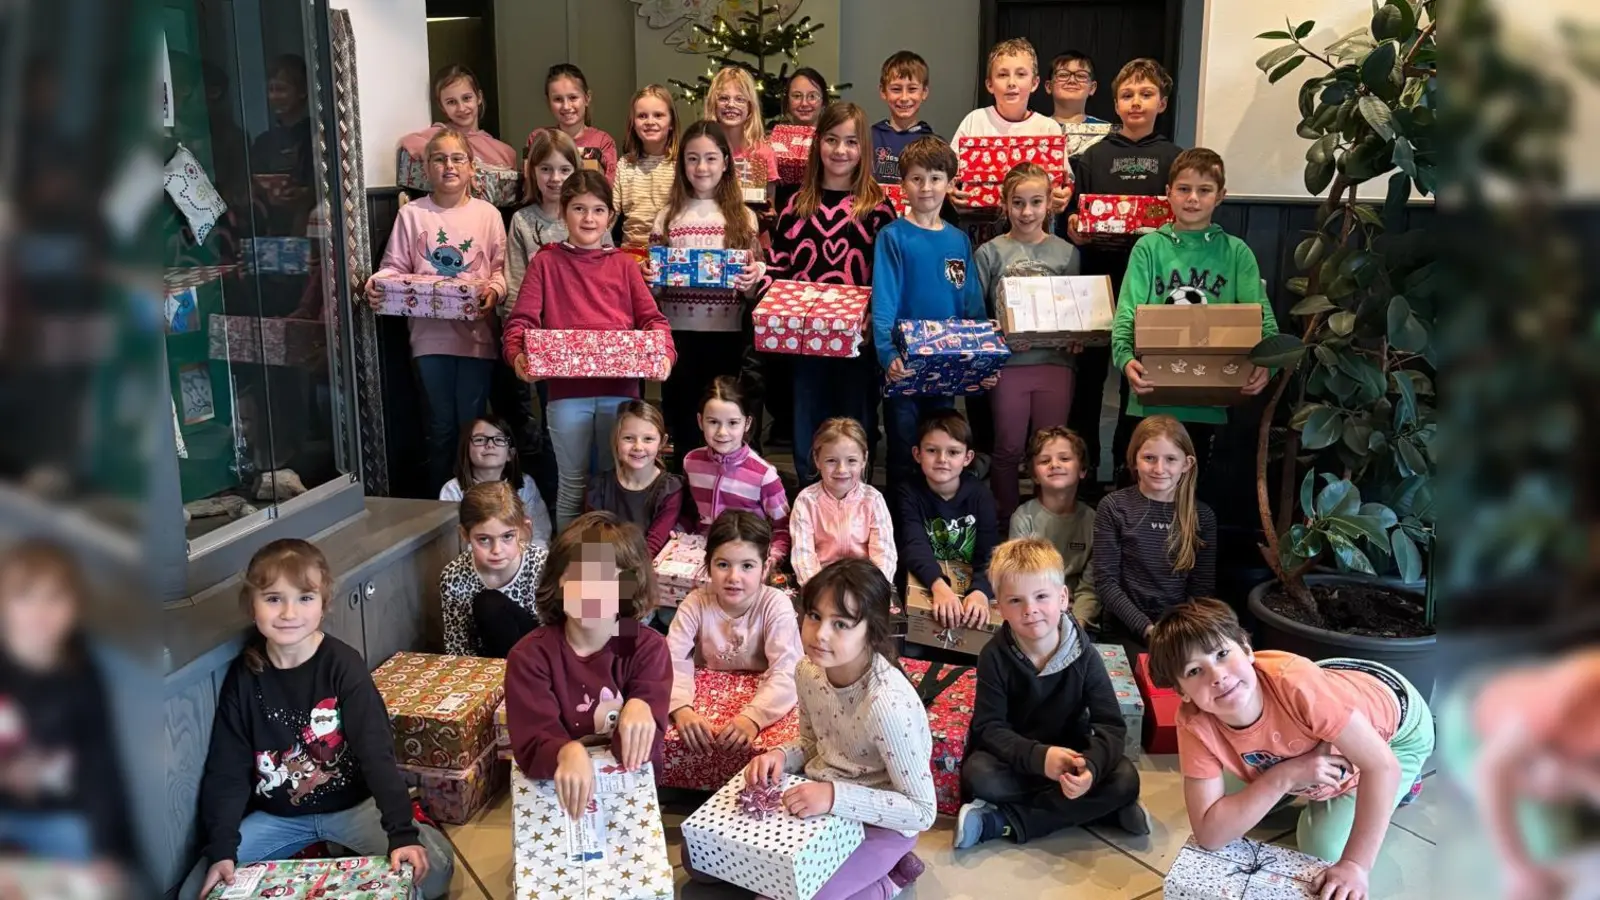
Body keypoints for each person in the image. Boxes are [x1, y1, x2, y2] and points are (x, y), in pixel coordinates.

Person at [182, 540, 454, 900]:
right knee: (195, 892)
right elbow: (227, 771)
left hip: (352, 808)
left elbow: (376, 753)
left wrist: (402, 833)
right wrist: (222, 849)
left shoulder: (343, 666)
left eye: (305, 598)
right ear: (251, 606)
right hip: (277, 817)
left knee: (432, 873)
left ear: (324, 604)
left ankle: (353, 845)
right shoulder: (244, 678)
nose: (289, 612)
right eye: (274, 598)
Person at [1148, 598, 1435, 899]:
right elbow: (1210, 833)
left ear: (1246, 649)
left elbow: (1382, 766)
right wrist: (1285, 776)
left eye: (1222, 654)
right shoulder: (1194, 722)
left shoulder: (1296, 684)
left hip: (1394, 731)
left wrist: (1355, 865)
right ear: (1182, 692)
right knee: (1228, 810)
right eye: (1195, 671)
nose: (1217, 676)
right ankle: (1297, 767)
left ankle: (1406, 783)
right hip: (1314, 714)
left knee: (1321, 847)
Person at [740, 560, 935, 896]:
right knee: (701, 863)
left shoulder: (886, 704)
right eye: (815, 616)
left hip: (880, 824)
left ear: (872, 631)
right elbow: (812, 743)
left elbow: (922, 811)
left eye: (841, 623)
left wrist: (833, 796)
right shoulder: (808, 670)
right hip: (822, 802)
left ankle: (889, 881)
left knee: (783, 895)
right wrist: (780, 756)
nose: (820, 634)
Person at [502, 169, 676, 530]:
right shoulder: (546, 263)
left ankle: (614, 558)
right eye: (579, 209)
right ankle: (571, 560)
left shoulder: (624, 265)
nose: (589, 218)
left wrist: (665, 356)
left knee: (618, 483)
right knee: (573, 485)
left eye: (598, 210)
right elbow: (520, 322)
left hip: (621, 394)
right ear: (563, 211)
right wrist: (518, 358)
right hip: (567, 395)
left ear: (610, 216)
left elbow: (654, 321)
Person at [955, 537, 1147, 849]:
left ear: (1063, 598)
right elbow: (989, 727)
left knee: (1126, 777)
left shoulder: (1085, 654)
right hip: (1019, 759)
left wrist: (1091, 768)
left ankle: (1003, 822)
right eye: (1015, 601)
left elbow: (1111, 726)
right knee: (978, 776)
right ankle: (1101, 811)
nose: (1030, 610)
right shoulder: (993, 656)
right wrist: (1039, 758)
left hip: (1071, 758)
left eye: (1041, 596)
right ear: (999, 608)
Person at [1115, 147, 1280, 478]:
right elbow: (1127, 313)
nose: (1192, 198)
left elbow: (1263, 321)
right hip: (1150, 394)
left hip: (1212, 398)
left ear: (1220, 196)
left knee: (1195, 488)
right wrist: (1124, 358)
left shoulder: (1236, 253)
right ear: (1168, 193)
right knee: (1143, 487)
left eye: (1204, 190)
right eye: (1184, 189)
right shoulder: (1148, 248)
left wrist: (1269, 366)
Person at [1061, 58, 1184, 482]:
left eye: (1146, 94)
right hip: (1099, 279)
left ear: (1162, 103)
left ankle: (1130, 469)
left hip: (1154, 286)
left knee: (1141, 380)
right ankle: (1084, 467)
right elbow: (1073, 216)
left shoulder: (1175, 159)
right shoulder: (1092, 157)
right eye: (1127, 95)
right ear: (1115, 104)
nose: (1136, 102)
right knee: (1089, 377)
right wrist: (1075, 227)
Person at [366, 127, 507, 493]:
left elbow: (500, 272)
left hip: (477, 338)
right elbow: (393, 266)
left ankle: (476, 499)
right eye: (439, 159)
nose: (449, 166)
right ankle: (440, 504)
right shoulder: (412, 215)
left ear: (472, 167)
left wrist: (494, 291)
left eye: (457, 158)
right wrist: (377, 284)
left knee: (472, 425)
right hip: (428, 339)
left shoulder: (488, 214)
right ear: (426, 167)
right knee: (441, 425)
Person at [504, 513, 672, 818]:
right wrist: (565, 751)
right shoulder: (529, 656)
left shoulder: (647, 647)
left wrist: (641, 705)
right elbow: (532, 744)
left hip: (628, 798)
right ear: (558, 582)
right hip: (557, 798)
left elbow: (643, 748)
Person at [763, 101, 897, 482]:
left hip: (858, 342)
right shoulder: (796, 206)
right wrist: (768, 299)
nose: (841, 150)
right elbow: (777, 268)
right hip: (806, 342)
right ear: (818, 142)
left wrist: (875, 318)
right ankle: (810, 497)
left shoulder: (877, 209)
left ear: (863, 148)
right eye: (832, 140)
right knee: (808, 420)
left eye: (851, 142)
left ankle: (855, 499)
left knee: (857, 419)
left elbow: (888, 277)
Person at [0, 541, 135, 868]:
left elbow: (99, 766)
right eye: (25, 597)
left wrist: (109, 851)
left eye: (55, 598)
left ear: (75, 608)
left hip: (57, 820)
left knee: (79, 841)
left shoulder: (82, 675)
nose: (40, 612)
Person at [870, 136, 991, 495]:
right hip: (904, 365)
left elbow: (970, 301)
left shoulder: (958, 240)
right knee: (903, 447)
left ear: (950, 183)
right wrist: (887, 353)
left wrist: (983, 354)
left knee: (941, 451)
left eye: (936, 178)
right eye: (917, 178)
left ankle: (934, 517)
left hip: (947, 364)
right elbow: (885, 299)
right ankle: (900, 521)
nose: (926, 187)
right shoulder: (892, 236)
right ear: (902, 184)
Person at [648, 120, 765, 461]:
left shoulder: (743, 218)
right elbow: (654, 289)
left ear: (726, 162)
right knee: (684, 418)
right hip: (678, 336)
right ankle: (687, 483)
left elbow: (753, 281)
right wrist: (651, 277)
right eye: (693, 158)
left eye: (711, 158)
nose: (702, 167)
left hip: (726, 336)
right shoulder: (667, 218)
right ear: (682, 164)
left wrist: (753, 278)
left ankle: (726, 484)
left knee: (723, 419)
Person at [1441, 649, 1600, 900]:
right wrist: (1517, 866)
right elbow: (1491, 771)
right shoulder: (1569, 697)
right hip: (1475, 734)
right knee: (1549, 848)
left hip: (1552, 750)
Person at [974, 162, 1083, 523]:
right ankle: (1007, 522)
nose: (1026, 212)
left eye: (1036, 202)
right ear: (1004, 204)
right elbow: (977, 313)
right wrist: (998, 337)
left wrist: (1078, 337)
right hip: (1008, 367)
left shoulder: (1066, 253)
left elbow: (1077, 311)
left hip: (1055, 364)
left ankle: (1049, 521)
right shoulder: (989, 253)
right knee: (1007, 447)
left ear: (1050, 203)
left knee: (1050, 450)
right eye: (1018, 203)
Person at [666, 511, 803, 755]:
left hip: (766, 706)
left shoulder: (775, 605)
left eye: (747, 566)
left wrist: (753, 718)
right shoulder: (695, 604)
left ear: (765, 567)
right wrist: (680, 708)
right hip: (700, 709)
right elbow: (671, 660)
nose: (733, 577)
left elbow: (788, 670)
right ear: (708, 564)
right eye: (723, 565)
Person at [1092, 415, 1216, 648]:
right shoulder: (1113, 506)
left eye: (1170, 459)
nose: (1159, 469)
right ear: (1134, 460)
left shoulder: (1202, 515)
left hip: (1178, 631)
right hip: (1123, 630)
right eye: (1149, 458)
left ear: (1186, 464)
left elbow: (1201, 589)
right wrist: (1147, 629)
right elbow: (1106, 582)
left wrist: (1177, 631)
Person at [898, 409, 999, 631]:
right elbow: (913, 544)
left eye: (953, 452)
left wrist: (981, 591)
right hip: (927, 581)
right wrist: (939, 586)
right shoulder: (908, 493)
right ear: (917, 454)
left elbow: (990, 553)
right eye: (932, 450)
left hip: (970, 583)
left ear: (967, 458)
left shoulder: (981, 496)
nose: (942, 459)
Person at [681, 377, 791, 570]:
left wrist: (771, 559)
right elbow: (688, 513)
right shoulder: (691, 462)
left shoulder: (765, 476)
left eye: (733, 423)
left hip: (746, 561)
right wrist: (678, 532)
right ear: (700, 421)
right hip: (700, 556)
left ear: (747, 423)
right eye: (713, 422)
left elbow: (783, 528)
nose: (722, 432)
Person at [951, 38, 1071, 214]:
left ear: (1035, 83)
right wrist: (950, 190)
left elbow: (1065, 180)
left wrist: (1065, 193)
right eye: (1002, 75)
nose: (1011, 83)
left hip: (1035, 224)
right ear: (989, 84)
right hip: (978, 220)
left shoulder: (1048, 128)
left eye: (1021, 74)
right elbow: (949, 172)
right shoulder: (974, 121)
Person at [439, 481, 549, 658]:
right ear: (465, 535)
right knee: (488, 604)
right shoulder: (454, 577)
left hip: (539, 659)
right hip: (488, 664)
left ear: (524, 528)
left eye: (507, 536)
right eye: (483, 539)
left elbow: (556, 633)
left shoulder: (542, 566)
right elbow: (458, 645)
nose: (497, 550)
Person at [1010, 427, 1099, 632]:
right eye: (1044, 461)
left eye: (1064, 459)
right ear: (1034, 475)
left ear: (1082, 470)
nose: (1055, 465)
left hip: (1078, 618)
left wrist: (1077, 625)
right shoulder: (1024, 518)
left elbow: (1091, 587)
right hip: (1034, 615)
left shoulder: (1094, 522)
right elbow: (1021, 579)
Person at [789, 417, 896, 586]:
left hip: (866, 585)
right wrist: (818, 590)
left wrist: (874, 589)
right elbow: (803, 556)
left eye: (851, 460)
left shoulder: (873, 500)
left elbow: (884, 554)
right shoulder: (806, 501)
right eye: (831, 461)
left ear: (864, 459)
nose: (841, 470)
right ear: (817, 460)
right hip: (821, 584)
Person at [583, 399, 686, 557]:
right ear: (616, 440)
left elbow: (654, 545)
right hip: (605, 563)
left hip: (646, 565)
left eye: (648, 439)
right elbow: (593, 539)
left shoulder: (670, 489)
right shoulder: (598, 486)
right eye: (628, 438)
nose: (638, 446)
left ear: (662, 442)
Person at [437, 415, 553, 548]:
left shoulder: (526, 485)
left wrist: (519, 558)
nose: (490, 445)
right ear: (466, 450)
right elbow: (452, 544)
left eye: (499, 439)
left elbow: (540, 535)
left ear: (510, 453)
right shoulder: (452, 490)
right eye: (480, 439)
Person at [398, 65, 517, 173]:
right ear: (442, 107)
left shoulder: (504, 151)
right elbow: (409, 141)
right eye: (451, 102)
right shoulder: (440, 134)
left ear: (479, 98)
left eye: (467, 98)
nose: (461, 108)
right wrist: (442, 153)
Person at [615, 84, 679, 249]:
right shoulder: (625, 164)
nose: (650, 122)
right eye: (642, 116)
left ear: (671, 122)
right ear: (633, 123)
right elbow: (610, 212)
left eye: (658, 115)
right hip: (631, 251)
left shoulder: (681, 164)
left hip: (670, 252)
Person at [704, 67, 776, 206]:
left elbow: (770, 206)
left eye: (740, 99)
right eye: (723, 98)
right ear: (714, 104)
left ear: (750, 106)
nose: (731, 104)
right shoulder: (702, 152)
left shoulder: (763, 153)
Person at [535, 64, 616, 181]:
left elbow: (608, 187)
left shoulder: (603, 142)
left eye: (573, 97)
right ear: (548, 102)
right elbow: (529, 183)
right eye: (558, 99)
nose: (566, 106)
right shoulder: (539, 138)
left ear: (587, 98)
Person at [870, 51, 939, 185]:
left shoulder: (934, 144)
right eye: (896, 89)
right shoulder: (868, 138)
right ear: (883, 92)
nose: (904, 98)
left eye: (912, 89)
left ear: (924, 92)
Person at [1046, 51, 1114, 158]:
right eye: (1063, 75)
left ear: (1092, 88)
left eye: (1081, 76)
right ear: (1049, 86)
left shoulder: (1108, 133)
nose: (1072, 80)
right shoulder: (1035, 129)